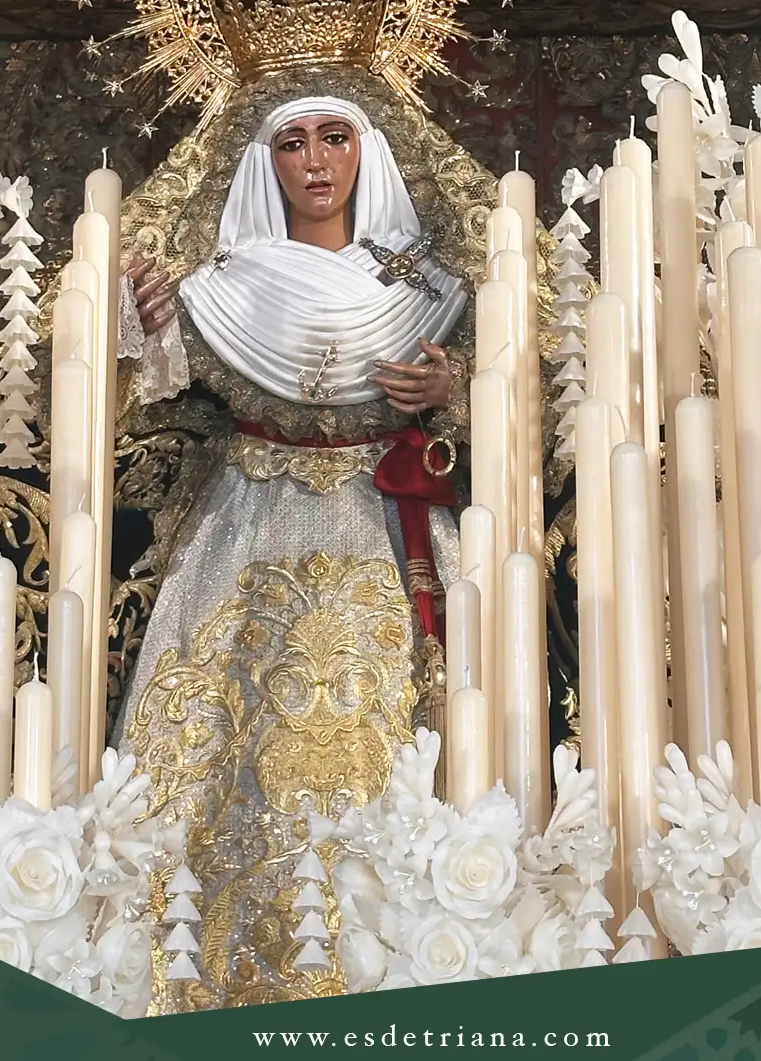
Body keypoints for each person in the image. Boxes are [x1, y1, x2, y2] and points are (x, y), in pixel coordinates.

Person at [109, 73, 492, 1009]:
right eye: (293, 143)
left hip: (389, 526)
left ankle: (421, 956)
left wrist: (456, 389)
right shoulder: (218, 290)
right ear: (263, 162)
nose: (316, 162)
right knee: (220, 735)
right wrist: (139, 325)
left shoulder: (431, 289)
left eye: (334, 137)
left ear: (369, 151)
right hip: (246, 520)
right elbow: (146, 406)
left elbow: (526, 408)